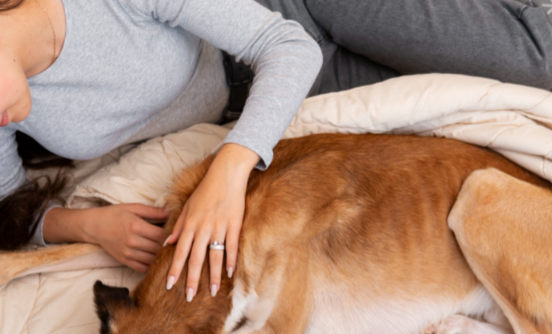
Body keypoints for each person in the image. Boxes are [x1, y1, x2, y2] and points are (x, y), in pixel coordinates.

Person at [1, 0, 551, 302]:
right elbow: (11, 212)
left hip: (296, 17)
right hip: (276, 94)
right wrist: (87, 226)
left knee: (535, 64)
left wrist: (230, 168)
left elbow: (285, 45)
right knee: (454, 91)